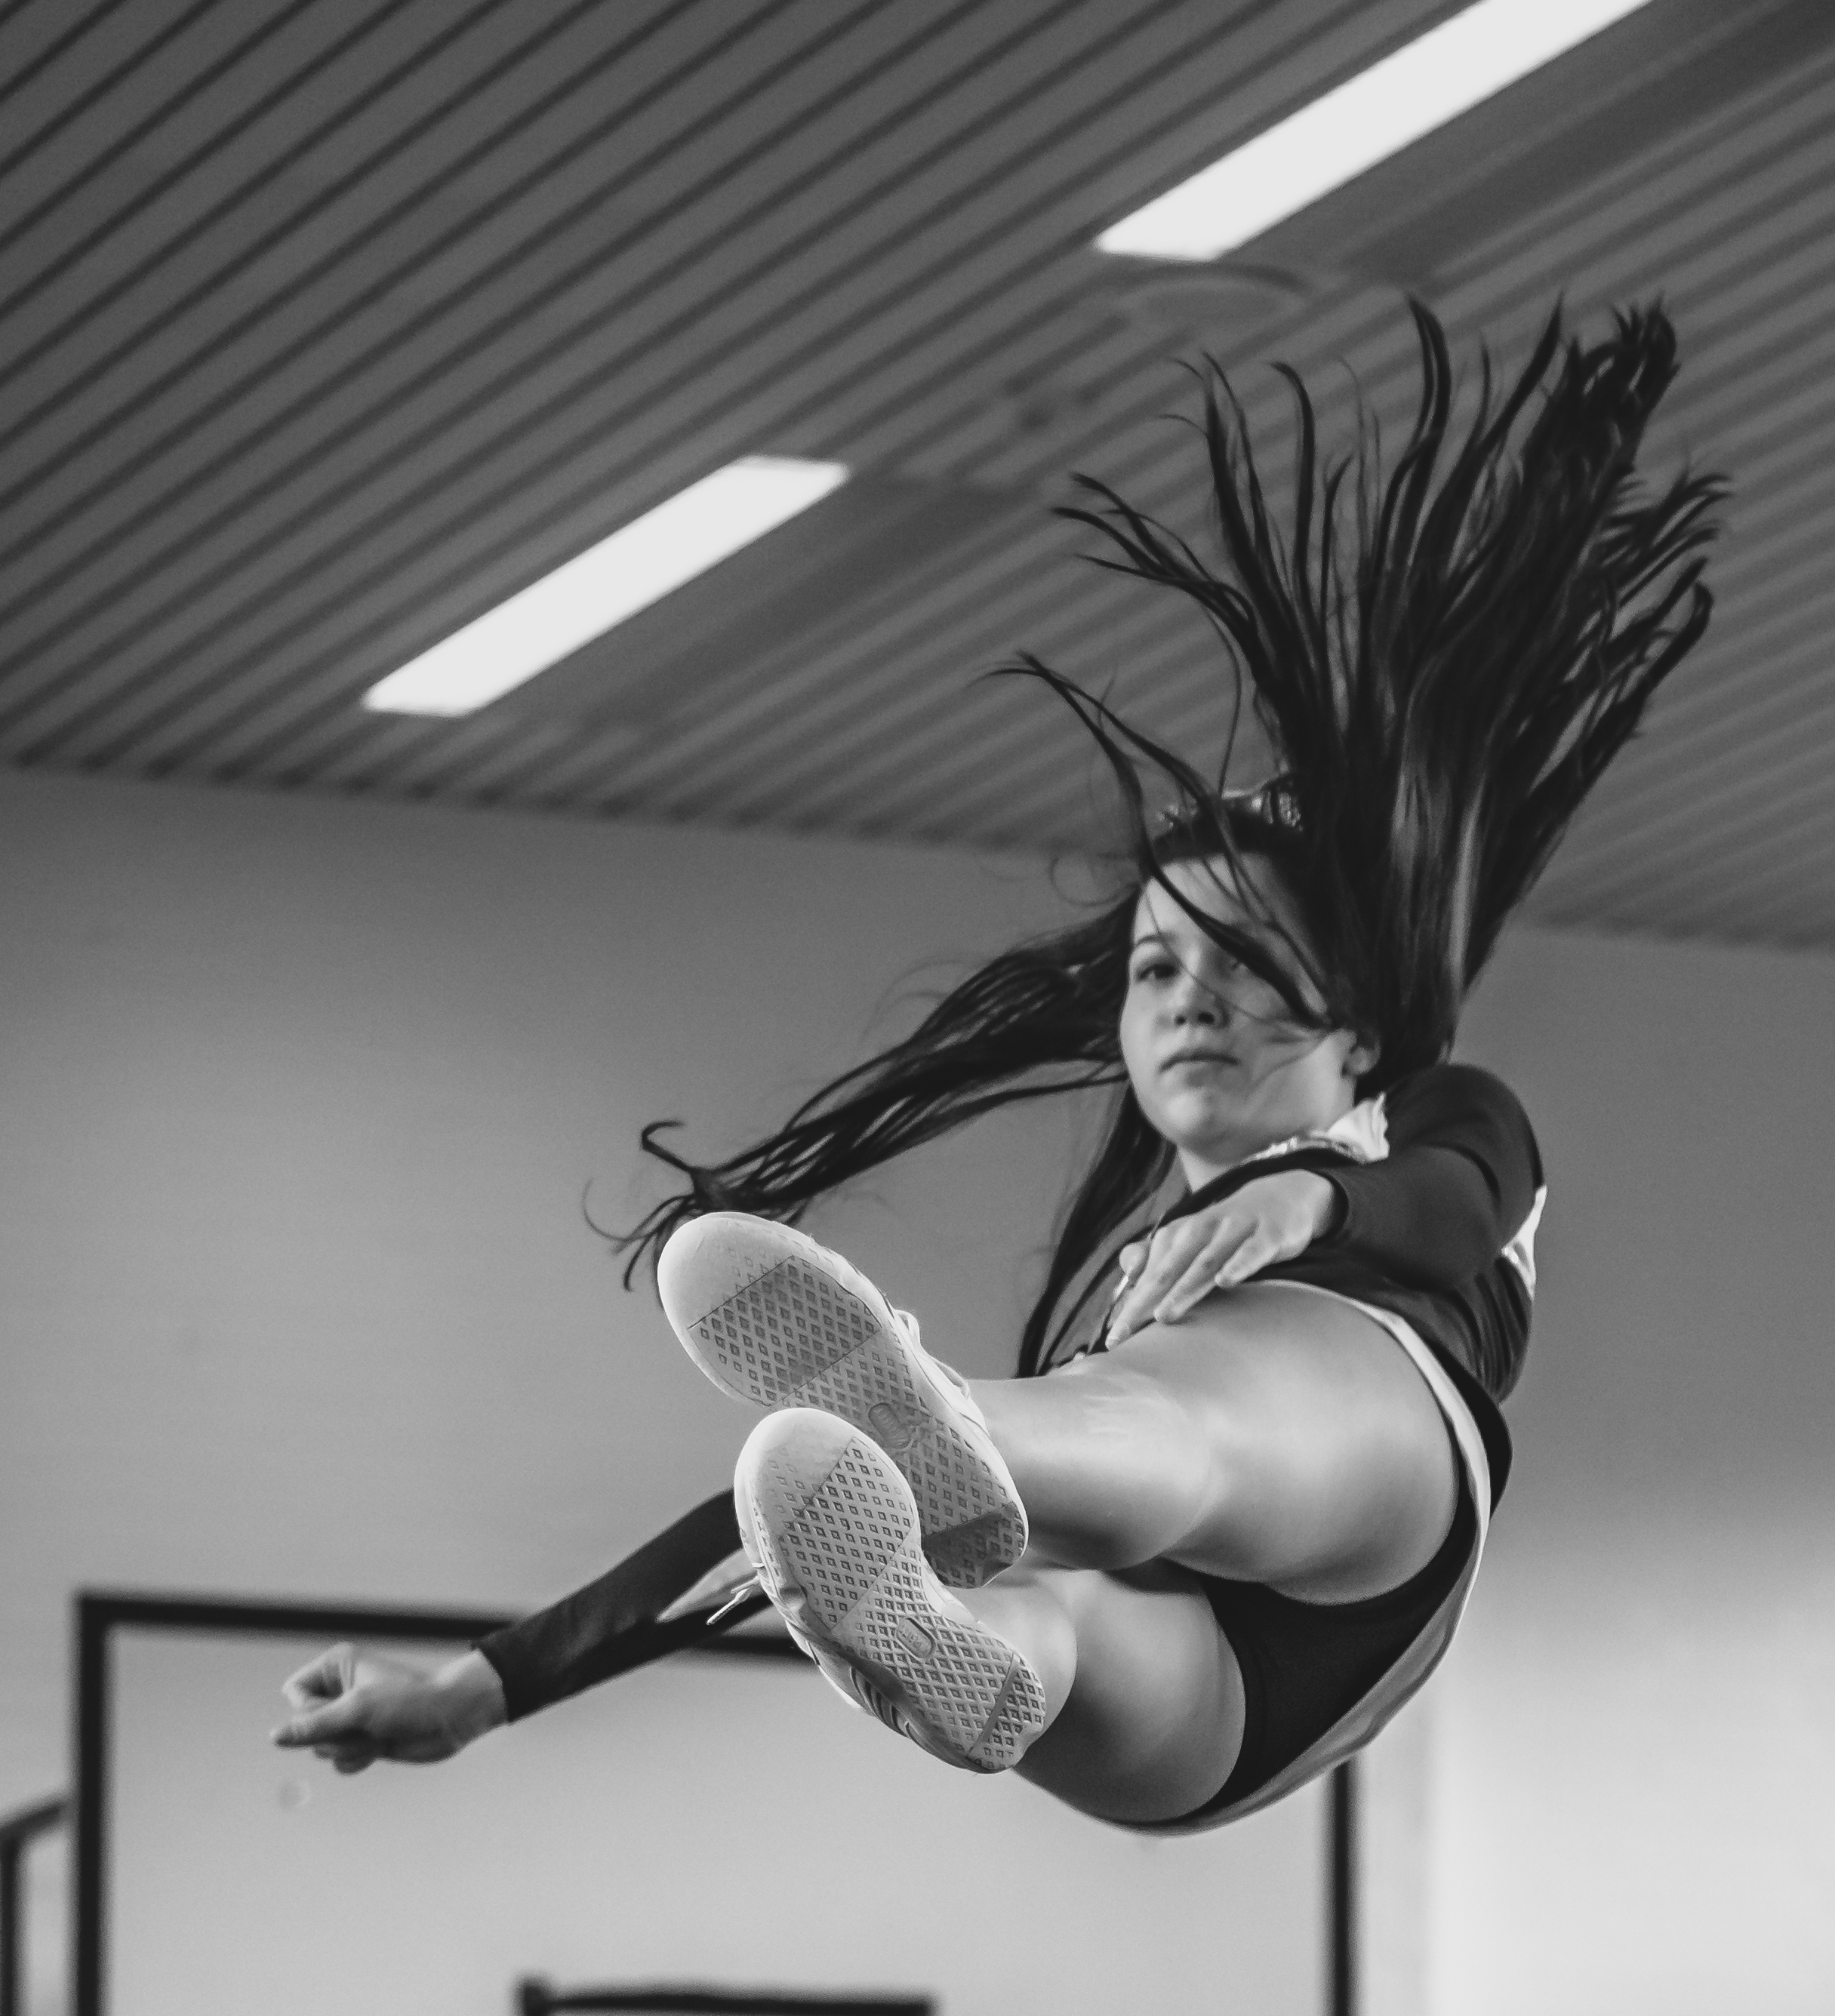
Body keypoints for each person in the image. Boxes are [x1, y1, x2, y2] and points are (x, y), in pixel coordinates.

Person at [275, 314, 1718, 1827]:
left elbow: (1450, 1204)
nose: (1192, 1001)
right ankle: (936, 1633)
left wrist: (1316, 1215)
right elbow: (758, 1509)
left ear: (1359, 1026)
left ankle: (970, 1433)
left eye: (1249, 965)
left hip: (1370, 1525)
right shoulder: (1134, 1281)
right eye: (1158, 967)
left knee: (1180, 1417)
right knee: (1037, 1605)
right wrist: (482, 1684)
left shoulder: (1419, 1122)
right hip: (1202, 1721)